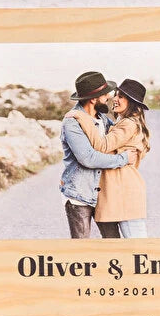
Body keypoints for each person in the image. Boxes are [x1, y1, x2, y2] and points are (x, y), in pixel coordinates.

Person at [64, 77, 150, 238]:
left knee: (137, 247)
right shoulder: (120, 122)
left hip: (125, 191)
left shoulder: (128, 124)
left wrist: (81, 117)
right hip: (115, 192)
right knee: (119, 246)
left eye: (121, 96)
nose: (113, 99)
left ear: (131, 102)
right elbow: (94, 151)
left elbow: (102, 146)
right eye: (115, 95)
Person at [59, 71, 129, 239]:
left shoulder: (103, 119)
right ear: (93, 98)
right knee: (82, 248)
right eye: (105, 94)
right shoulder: (72, 122)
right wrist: (124, 159)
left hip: (103, 194)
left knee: (113, 241)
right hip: (79, 196)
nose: (109, 97)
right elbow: (88, 158)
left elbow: (119, 135)